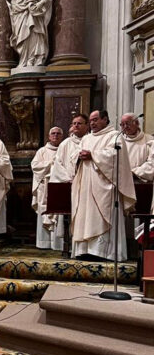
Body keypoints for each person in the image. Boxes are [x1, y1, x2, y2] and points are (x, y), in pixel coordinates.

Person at [71, 110, 136, 261]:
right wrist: (78, 156)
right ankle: (84, 250)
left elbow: (115, 156)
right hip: (85, 184)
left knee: (100, 216)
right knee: (85, 216)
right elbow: (74, 155)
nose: (92, 123)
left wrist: (93, 155)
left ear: (105, 119)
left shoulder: (114, 136)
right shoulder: (86, 138)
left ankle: (104, 252)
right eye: (91, 120)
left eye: (95, 120)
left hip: (104, 186)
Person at [32, 127, 64, 250]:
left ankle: (58, 244)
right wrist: (51, 164)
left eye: (58, 133)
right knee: (44, 212)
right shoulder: (42, 151)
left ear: (62, 136)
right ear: (49, 136)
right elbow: (35, 166)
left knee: (58, 215)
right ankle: (44, 242)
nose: (55, 135)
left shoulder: (64, 148)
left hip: (59, 187)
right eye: (53, 133)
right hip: (44, 186)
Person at [50, 114, 89, 183]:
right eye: (74, 123)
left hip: (88, 181)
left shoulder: (92, 141)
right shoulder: (65, 144)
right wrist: (68, 179)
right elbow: (58, 164)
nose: (76, 125)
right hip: (69, 182)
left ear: (87, 126)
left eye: (79, 123)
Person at [119, 112, 154, 181]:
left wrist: (134, 173)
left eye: (128, 123)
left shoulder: (150, 140)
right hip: (122, 181)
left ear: (137, 123)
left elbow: (152, 163)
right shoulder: (118, 141)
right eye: (122, 124)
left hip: (142, 183)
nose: (125, 126)